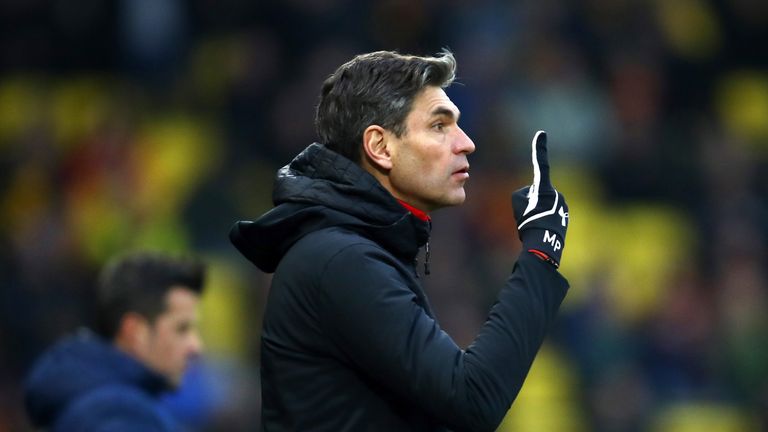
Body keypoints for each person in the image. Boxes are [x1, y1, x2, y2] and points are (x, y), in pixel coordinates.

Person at [230, 50, 570, 431]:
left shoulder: (355, 249)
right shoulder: (341, 259)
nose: (466, 143)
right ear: (380, 147)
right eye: (439, 126)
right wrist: (540, 252)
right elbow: (473, 398)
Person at [24, 251, 206, 431]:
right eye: (182, 329)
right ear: (135, 332)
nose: (195, 346)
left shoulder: (104, 403)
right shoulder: (119, 413)